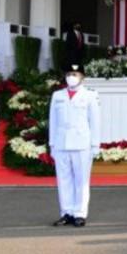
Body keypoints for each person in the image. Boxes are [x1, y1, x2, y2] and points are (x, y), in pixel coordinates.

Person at [49, 63, 101, 227]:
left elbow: (95, 121)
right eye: (69, 74)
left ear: (82, 77)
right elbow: (53, 121)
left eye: (75, 74)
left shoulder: (90, 95)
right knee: (63, 180)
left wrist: (95, 145)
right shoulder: (58, 96)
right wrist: (52, 144)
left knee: (81, 180)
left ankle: (79, 213)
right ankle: (66, 212)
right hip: (61, 142)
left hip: (81, 143)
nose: (72, 77)